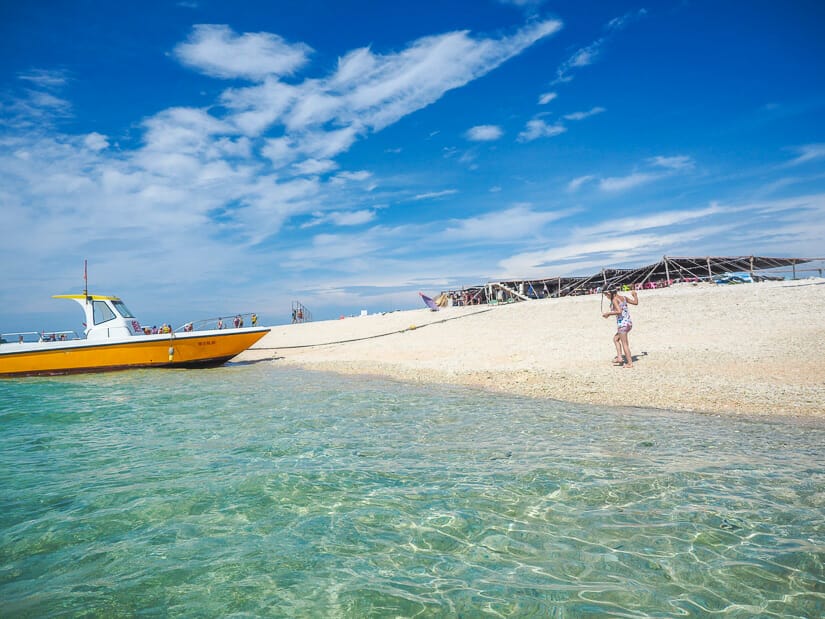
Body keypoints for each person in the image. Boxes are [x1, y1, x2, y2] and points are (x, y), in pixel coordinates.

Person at [602, 288, 639, 368]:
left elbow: (619, 311)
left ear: (610, 293)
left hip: (623, 325)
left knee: (625, 344)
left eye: (606, 295)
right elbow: (635, 302)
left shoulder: (614, 300)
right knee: (615, 339)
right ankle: (619, 357)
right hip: (628, 323)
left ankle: (630, 363)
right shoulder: (624, 298)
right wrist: (635, 296)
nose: (606, 297)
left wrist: (608, 313)